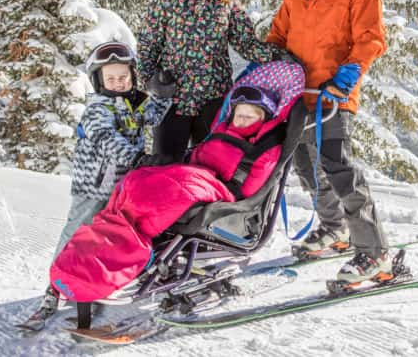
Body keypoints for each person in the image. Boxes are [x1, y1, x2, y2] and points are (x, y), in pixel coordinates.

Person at [49, 64, 304, 305]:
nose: (243, 120)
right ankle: (92, 267)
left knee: (159, 200)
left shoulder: (263, 149)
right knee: (136, 182)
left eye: (251, 116)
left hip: (219, 193)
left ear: (264, 118)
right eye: (239, 114)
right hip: (196, 178)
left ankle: (117, 260)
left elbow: (248, 190)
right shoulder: (223, 133)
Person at [265, 0, 392, 284]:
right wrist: (270, 65)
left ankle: (374, 251)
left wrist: (347, 75)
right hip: (296, 93)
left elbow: (370, 39)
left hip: (332, 93)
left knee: (339, 169)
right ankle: (335, 228)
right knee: (305, 166)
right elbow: (278, 36)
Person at [33, 41, 173, 319]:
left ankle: (95, 282)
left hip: (123, 186)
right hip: (94, 186)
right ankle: (54, 288)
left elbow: (155, 116)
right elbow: (106, 138)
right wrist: (137, 159)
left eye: (124, 76)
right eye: (111, 78)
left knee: (111, 236)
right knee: (78, 231)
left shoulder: (135, 102)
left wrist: (162, 95)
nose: (118, 82)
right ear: (99, 81)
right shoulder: (98, 108)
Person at [138, 0, 284, 163]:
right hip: (173, 99)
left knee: (209, 166)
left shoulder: (226, 0)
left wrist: (277, 55)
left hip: (213, 100)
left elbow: (245, 42)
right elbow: (147, 47)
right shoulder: (165, 0)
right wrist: (151, 80)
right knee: (164, 165)